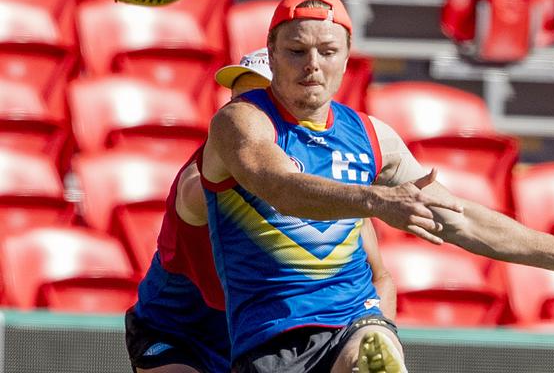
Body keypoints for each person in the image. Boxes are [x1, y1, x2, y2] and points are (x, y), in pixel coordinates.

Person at [200, 0, 554, 373]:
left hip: (353, 318)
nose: (312, 64)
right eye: (297, 51)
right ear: (272, 53)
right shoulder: (242, 121)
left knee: (371, 350)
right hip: (270, 339)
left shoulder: (373, 136)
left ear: (347, 57)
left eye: (327, 51)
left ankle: (375, 353)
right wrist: (376, 201)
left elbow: (460, 219)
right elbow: (279, 187)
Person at [125, 48, 399, 373]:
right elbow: (221, 188)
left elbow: (379, 277)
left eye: (256, 101)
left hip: (267, 337)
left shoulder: (324, 189)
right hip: (183, 334)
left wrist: (372, 330)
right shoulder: (201, 179)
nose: (241, 111)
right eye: (237, 98)